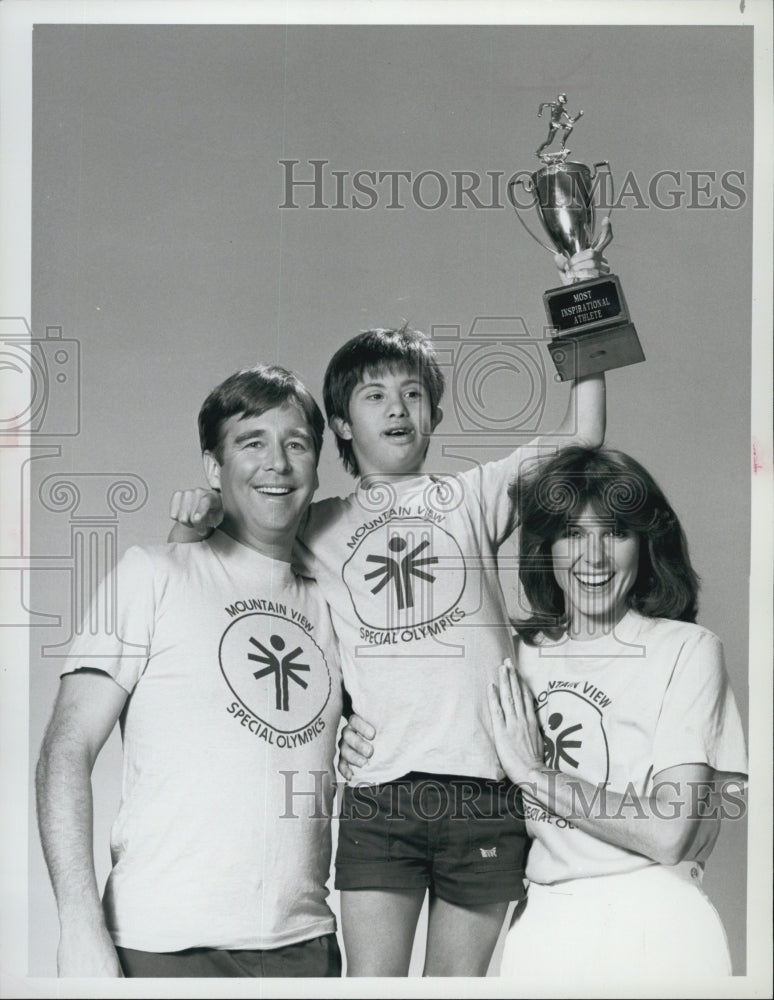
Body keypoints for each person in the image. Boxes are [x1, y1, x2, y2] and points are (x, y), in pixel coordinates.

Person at [168, 235, 610, 977]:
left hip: (487, 789)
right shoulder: (314, 523)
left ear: (433, 412)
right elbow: (199, 593)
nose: (396, 407)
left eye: (412, 393)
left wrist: (584, 296)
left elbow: (586, 434)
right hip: (382, 799)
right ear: (339, 424)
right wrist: (189, 518)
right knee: (371, 990)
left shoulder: (472, 496)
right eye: (373, 395)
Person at [36, 365, 345, 978]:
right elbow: (65, 750)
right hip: (160, 941)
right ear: (213, 467)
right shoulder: (151, 572)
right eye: (251, 442)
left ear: (316, 464)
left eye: (296, 443)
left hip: (304, 945)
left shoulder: (334, 603)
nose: (276, 463)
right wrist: (77, 925)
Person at [486, 446, 747, 984]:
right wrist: (357, 733)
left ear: (646, 544)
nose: (595, 557)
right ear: (547, 546)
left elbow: (669, 830)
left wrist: (535, 776)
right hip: (543, 923)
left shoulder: (686, 649)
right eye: (574, 534)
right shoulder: (514, 654)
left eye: (616, 533)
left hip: (656, 921)